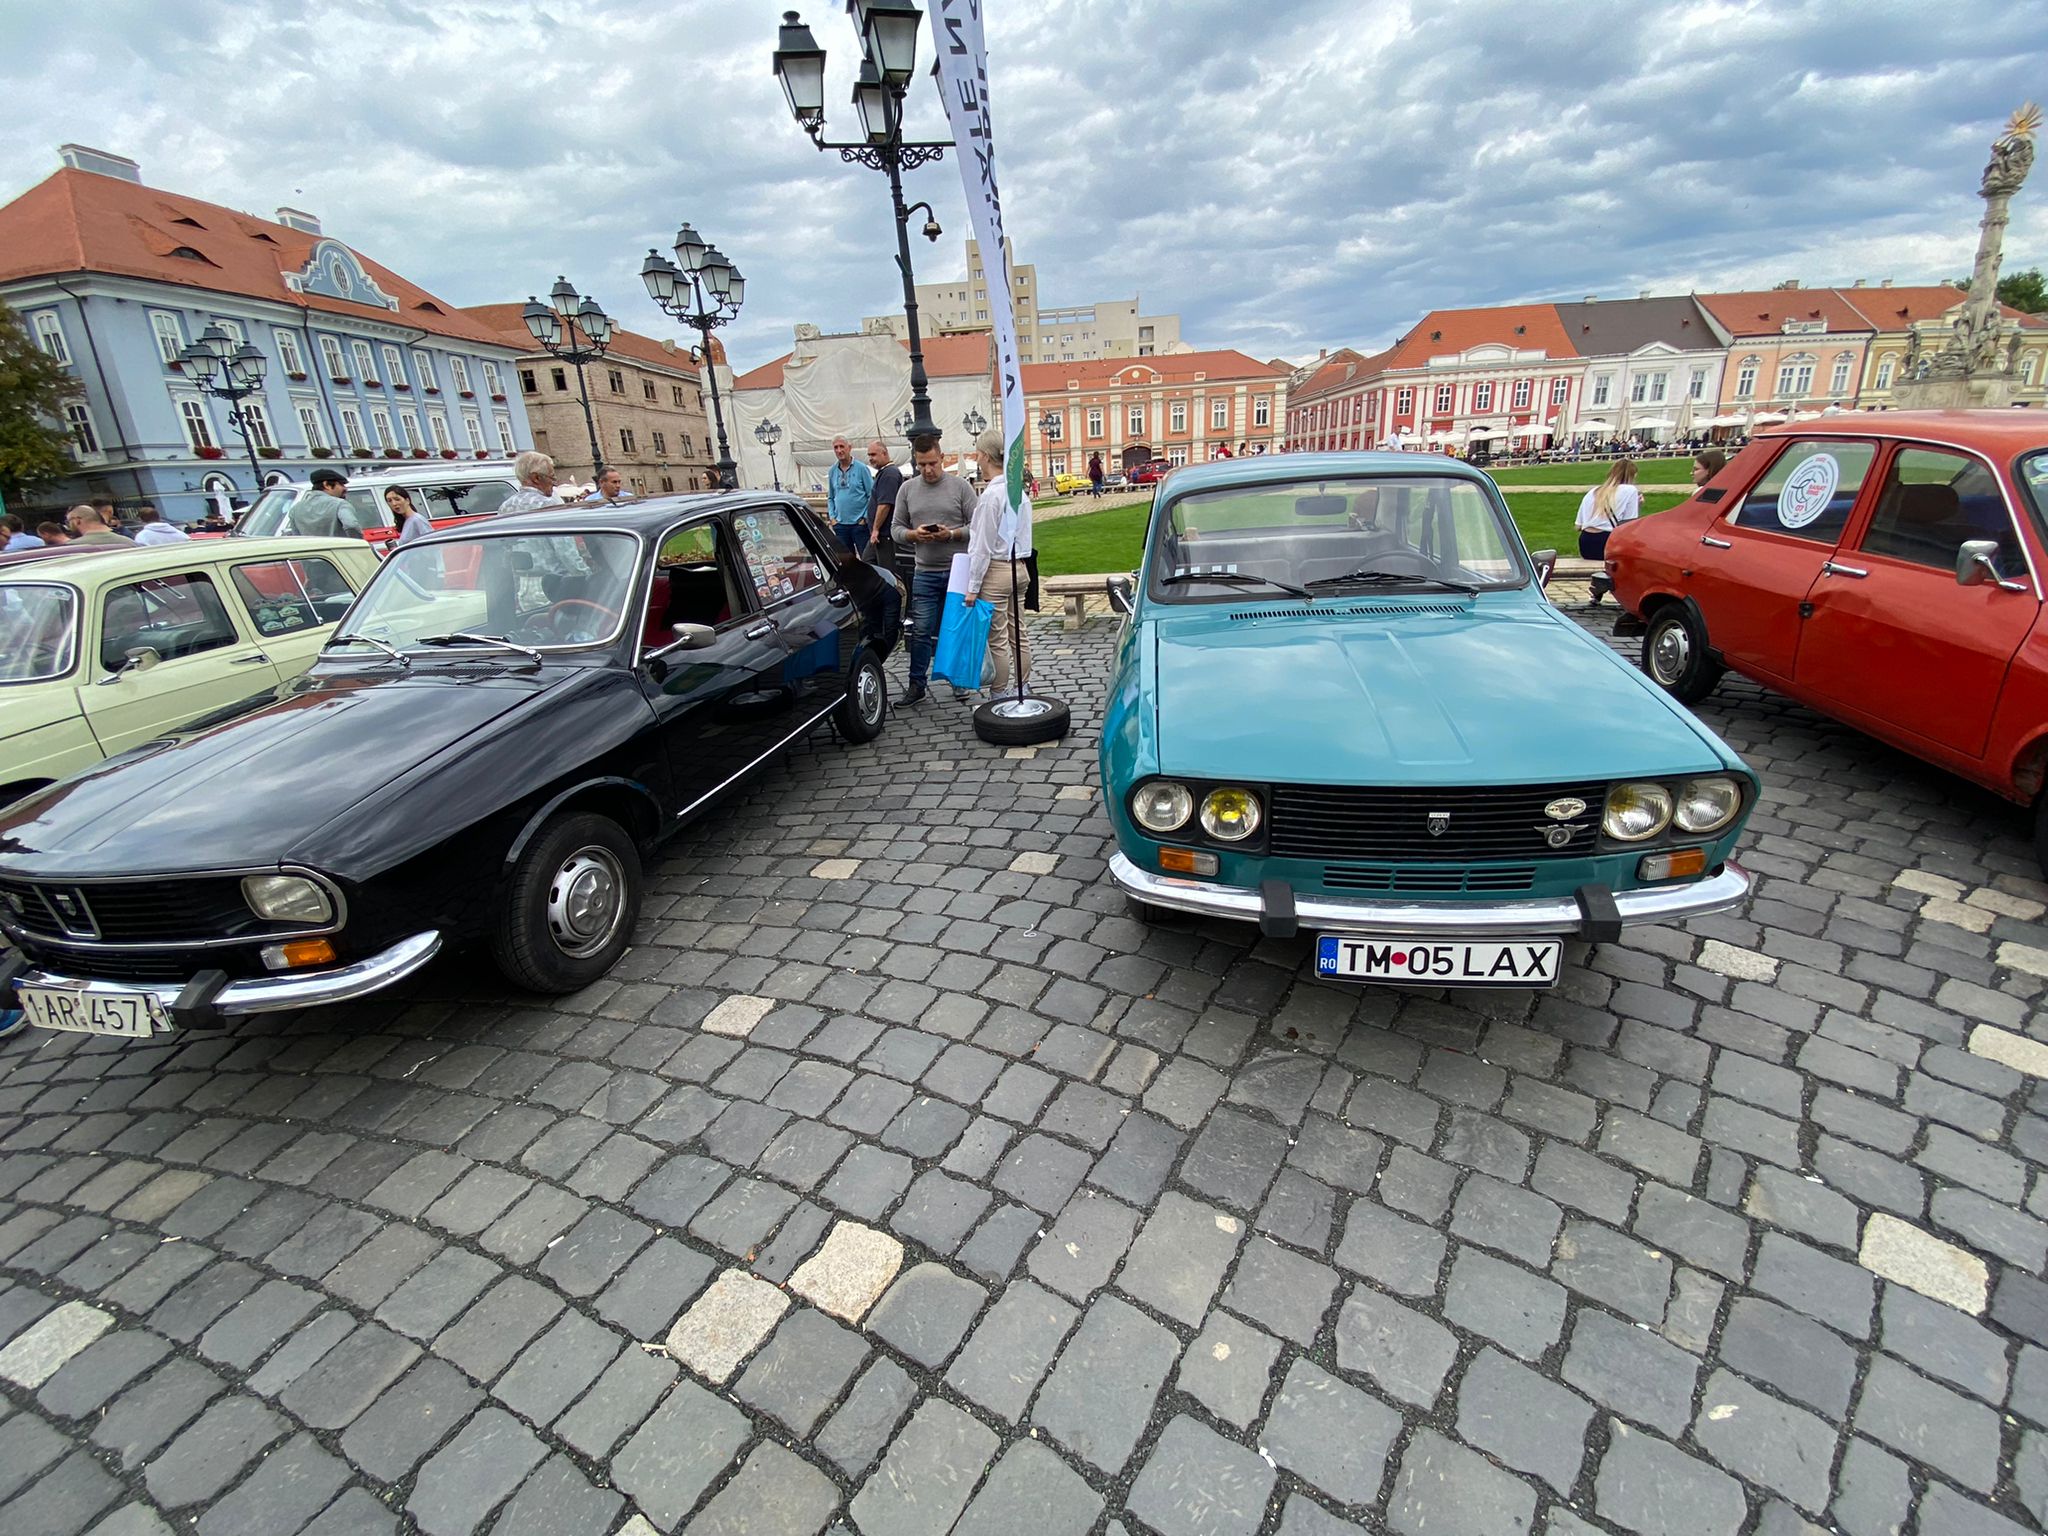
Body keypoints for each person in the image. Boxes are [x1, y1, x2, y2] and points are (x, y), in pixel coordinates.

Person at [890, 435, 977, 705]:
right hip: (925, 571)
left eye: (932, 463)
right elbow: (895, 529)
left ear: (941, 458)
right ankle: (917, 684)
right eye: (921, 464)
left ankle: (958, 680)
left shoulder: (960, 487)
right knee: (921, 630)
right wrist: (913, 535)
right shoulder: (907, 490)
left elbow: (978, 526)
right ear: (915, 462)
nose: (927, 470)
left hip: (957, 570)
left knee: (955, 628)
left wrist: (951, 534)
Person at [963, 427, 1034, 697]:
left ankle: (999, 694)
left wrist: (972, 587)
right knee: (1019, 633)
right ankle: (1023, 687)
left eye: (978, 454)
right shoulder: (1019, 494)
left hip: (997, 570)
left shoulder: (991, 497)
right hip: (1020, 567)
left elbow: (981, 546)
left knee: (998, 639)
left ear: (984, 456)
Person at [1577, 459, 1640, 606]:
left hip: (1586, 542)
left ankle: (1598, 589)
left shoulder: (1593, 492)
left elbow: (1579, 525)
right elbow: (1629, 524)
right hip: (1606, 541)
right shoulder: (1630, 491)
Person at [826, 435, 875, 558]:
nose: (839, 450)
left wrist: (864, 518)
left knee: (866, 559)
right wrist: (832, 518)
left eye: (842, 446)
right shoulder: (832, 471)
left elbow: (872, 495)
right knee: (846, 561)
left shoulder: (862, 469)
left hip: (859, 525)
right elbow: (831, 497)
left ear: (849, 448)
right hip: (840, 526)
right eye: (836, 447)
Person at [291, 469, 359, 537]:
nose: (345, 489)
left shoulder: (295, 509)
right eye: (341, 484)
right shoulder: (340, 504)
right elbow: (351, 525)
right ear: (326, 485)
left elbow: (296, 536)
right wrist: (357, 541)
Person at [865, 439, 903, 555]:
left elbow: (884, 505)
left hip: (884, 534)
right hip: (879, 534)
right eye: (869, 455)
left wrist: (876, 529)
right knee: (867, 561)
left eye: (873, 454)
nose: (871, 458)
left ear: (884, 453)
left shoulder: (889, 474)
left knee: (884, 565)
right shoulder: (885, 472)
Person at [499, 451, 566, 515]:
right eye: (552, 477)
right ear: (536, 478)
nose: (554, 483)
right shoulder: (548, 505)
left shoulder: (504, 507)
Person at [65, 505, 133, 546]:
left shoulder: (71, 547)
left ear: (77, 521)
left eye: (69, 522)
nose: (69, 526)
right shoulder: (129, 542)